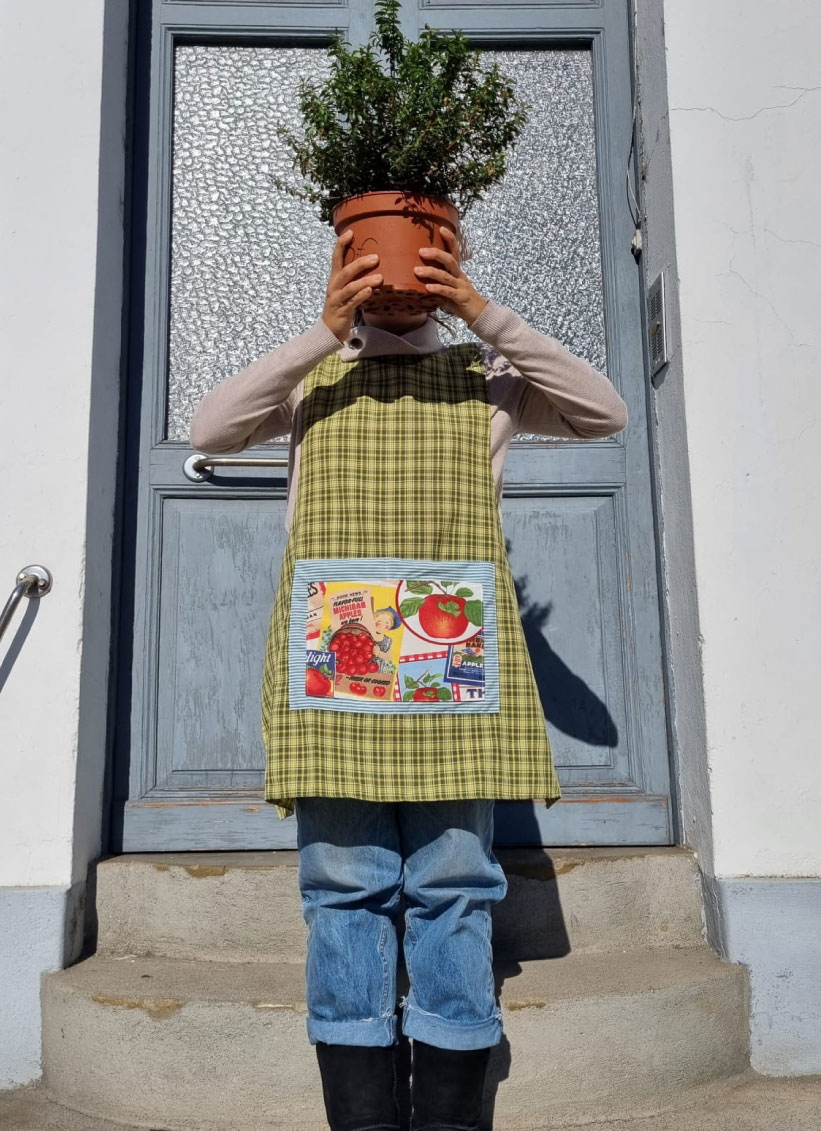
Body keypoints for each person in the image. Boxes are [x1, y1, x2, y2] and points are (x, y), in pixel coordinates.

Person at [189, 226, 628, 1131]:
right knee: (344, 888)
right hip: (339, 655)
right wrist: (322, 330)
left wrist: (482, 311)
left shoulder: (490, 378)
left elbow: (604, 413)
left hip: (443, 662)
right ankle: (364, 1118)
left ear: (448, 261)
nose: (396, 281)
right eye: (373, 260)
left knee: (453, 886)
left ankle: (449, 1119)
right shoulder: (312, 378)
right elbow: (211, 431)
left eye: (426, 260)